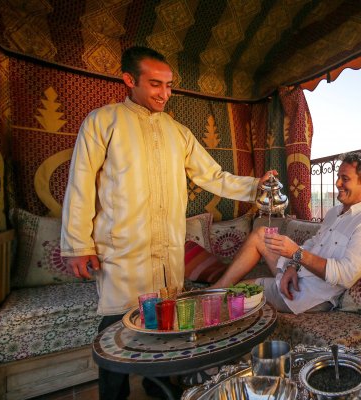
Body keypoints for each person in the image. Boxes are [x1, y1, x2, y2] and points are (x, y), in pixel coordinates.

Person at [60, 46, 275, 400]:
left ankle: (157, 387)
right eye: (155, 84)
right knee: (117, 328)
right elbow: (80, 185)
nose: (165, 93)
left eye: (170, 85)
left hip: (168, 248)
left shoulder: (178, 132)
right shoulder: (103, 121)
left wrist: (256, 186)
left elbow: (214, 176)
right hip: (123, 248)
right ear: (129, 80)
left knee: (167, 322)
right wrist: (78, 246)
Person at [212, 152, 361, 314]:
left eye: (345, 178)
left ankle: (211, 303)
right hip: (298, 274)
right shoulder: (334, 212)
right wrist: (292, 266)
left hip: (309, 295)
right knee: (261, 233)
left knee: (238, 292)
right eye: (338, 177)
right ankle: (214, 291)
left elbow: (346, 276)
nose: (337, 183)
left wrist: (297, 254)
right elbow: (313, 243)